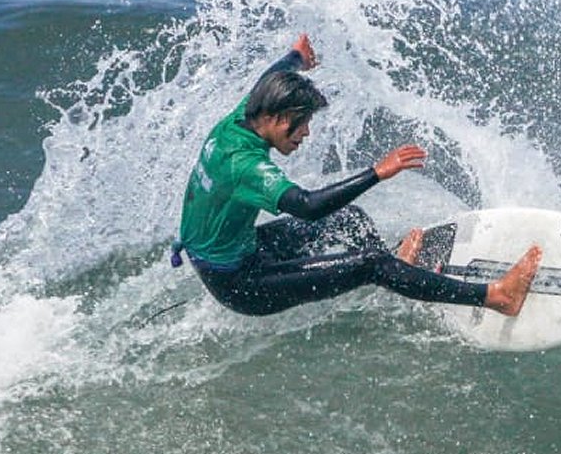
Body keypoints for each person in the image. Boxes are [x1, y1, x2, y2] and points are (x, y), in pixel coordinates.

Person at [171, 34, 541, 317]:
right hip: (240, 284)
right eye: (300, 125)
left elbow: (272, 76)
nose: (305, 134)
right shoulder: (243, 165)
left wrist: (296, 58)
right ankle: (497, 297)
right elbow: (306, 206)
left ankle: (402, 274)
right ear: (275, 118)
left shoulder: (244, 117)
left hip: (242, 250)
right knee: (371, 263)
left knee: (348, 219)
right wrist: (377, 173)